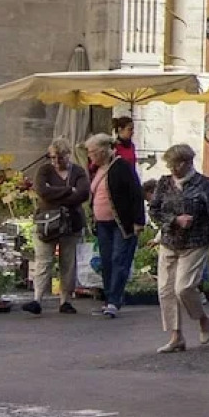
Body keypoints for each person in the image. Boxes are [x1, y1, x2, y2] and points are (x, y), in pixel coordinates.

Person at [150, 144, 209, 353]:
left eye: (175, 164)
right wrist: (174, 220)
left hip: (196, 242)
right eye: (170, 164)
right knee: (166, 290)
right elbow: (154, 211)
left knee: (183, 288)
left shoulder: (204, 184)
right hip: (169, 241)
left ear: (187, 163)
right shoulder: (164, 183)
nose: (172, 169)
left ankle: (202, 318)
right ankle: (176, 336)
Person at [22, 138, 89, 316]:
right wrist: (68, 191)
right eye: (52, 158)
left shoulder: (78, 172)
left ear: (68, 155)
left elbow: (82, 193)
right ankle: (37, 299)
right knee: (44, 260)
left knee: (68, 262)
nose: (56, 162)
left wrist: (55, 193)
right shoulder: (44, 170)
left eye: (60, 158)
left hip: (71, 223)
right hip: (47, 223)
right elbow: (42, 192)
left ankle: (65, 300)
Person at [85, 132, 145, 319]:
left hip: (121, 223)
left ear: (103, 151)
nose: (90, 156)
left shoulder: (122, 167)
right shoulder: (98, 169)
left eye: (92, 152)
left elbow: (136, 194)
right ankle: (108, 299)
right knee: (107, 261)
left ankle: (114, 301)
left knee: (119, 260)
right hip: (103, 224)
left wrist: (138, 221)